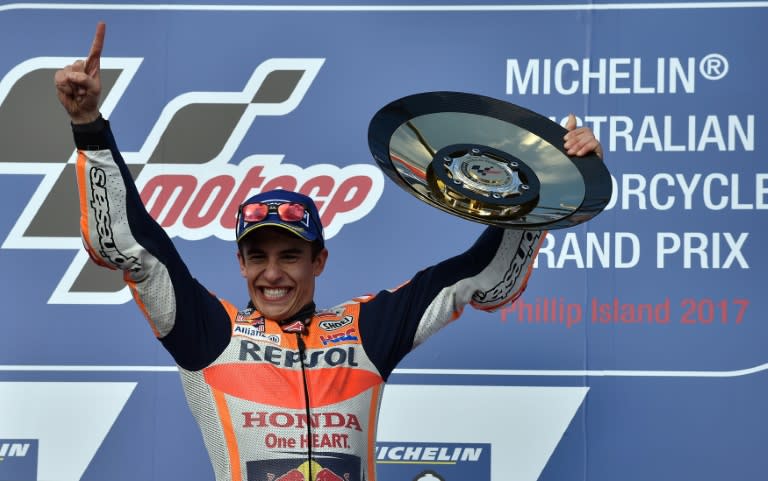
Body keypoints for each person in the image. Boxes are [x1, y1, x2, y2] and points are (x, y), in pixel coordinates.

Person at [55, 22, 604, 481]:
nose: (273, 273)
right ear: (240, 265)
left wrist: (548, 188)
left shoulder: (365, 329)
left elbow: (482, 279)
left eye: (290, 256)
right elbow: (132, 246)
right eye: (258, 256)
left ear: (319, 261)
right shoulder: (208, 334)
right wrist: (88, 126)